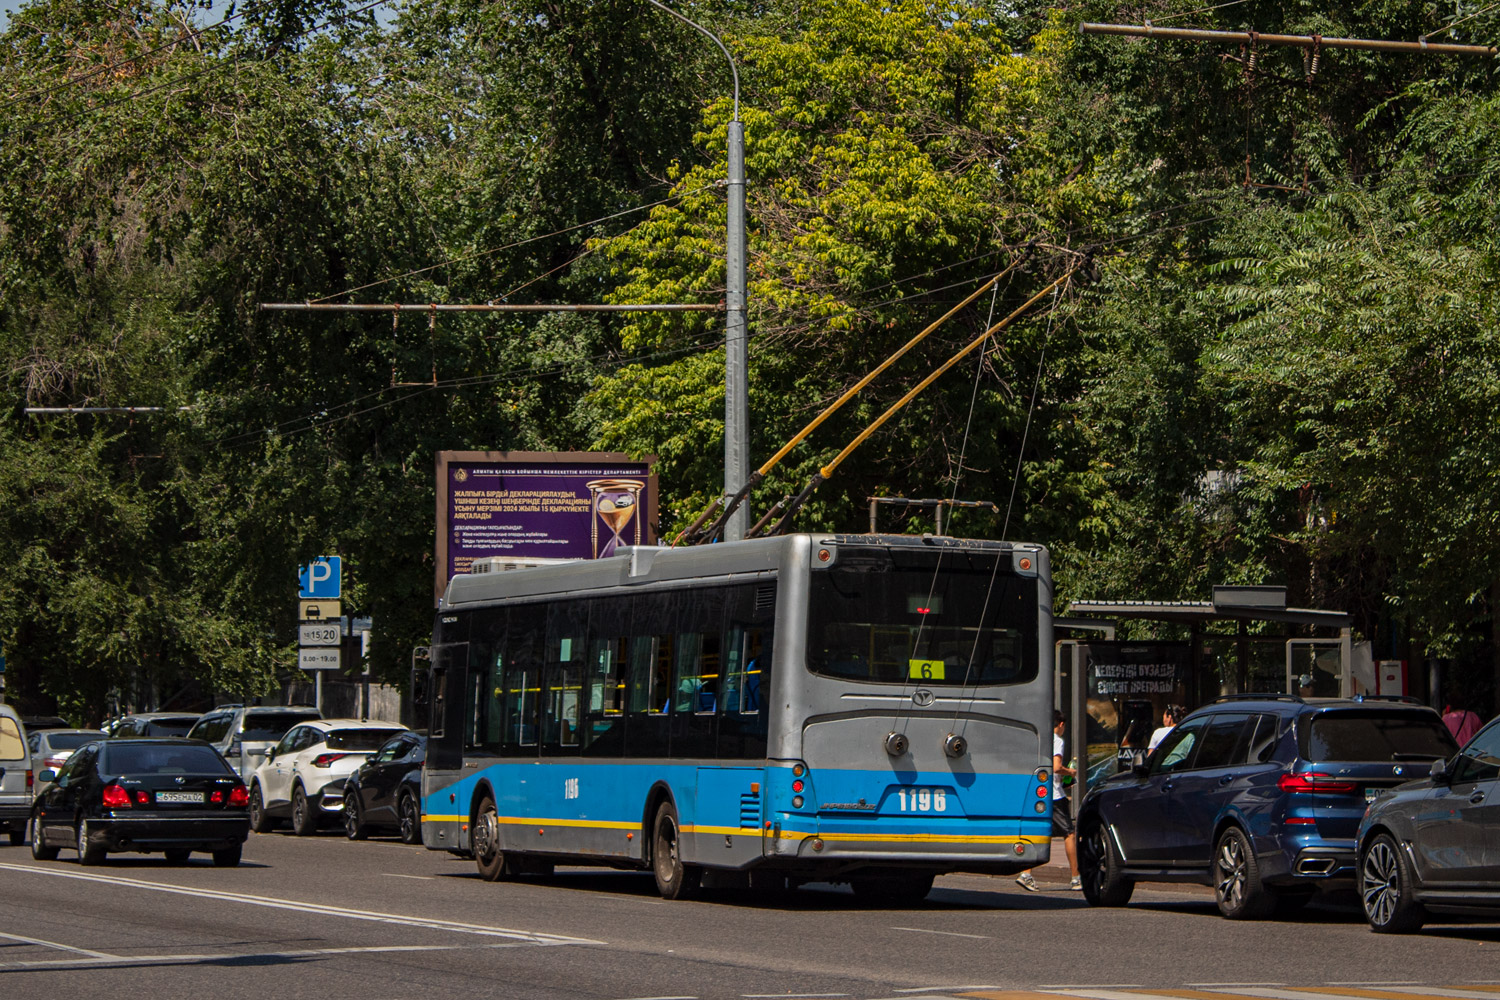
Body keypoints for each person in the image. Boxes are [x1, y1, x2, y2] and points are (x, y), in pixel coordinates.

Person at [1017, 710, 1080, 892]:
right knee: (1069, 833)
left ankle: (1026, 873)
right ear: (1060, 724)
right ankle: (1076, 878)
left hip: (1037, 791)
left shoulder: (1038, 738)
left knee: (1039, 832)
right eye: (1063, 726)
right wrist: (1071, 773)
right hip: (1054, 794)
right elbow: (1057, 767)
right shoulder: (1057, 740)